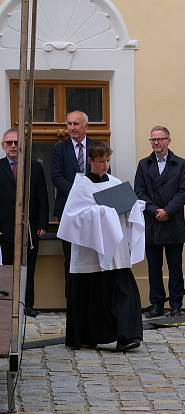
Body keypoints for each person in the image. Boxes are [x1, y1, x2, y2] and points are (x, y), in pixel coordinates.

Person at [57, 141, 145, 351]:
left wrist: (134, 207)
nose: (105, 165)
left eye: (107, 161)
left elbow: (127, 208)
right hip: (90, 253)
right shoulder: (81, 186)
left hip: (116, 250)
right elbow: (71, 218)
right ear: (90, 162)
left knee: (123, 291)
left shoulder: (115, 183)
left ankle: (127, 335)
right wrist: (101, 212)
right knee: (90, 295)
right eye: (101, 161)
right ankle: (87, 335)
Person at [134, 126, 185, 318]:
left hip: (173, 222)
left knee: (175, 267)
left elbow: (184, 192)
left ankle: (176, 304)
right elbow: (139, 192)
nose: (156, 143)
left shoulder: (180, 164)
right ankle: (156, 304)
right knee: (154, 267)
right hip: (152, 223)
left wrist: (167, 211)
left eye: (160, 139)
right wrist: (154, 210)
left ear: (168, 140)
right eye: (153, 140)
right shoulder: (144, 165)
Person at [0, 128, 49, 317]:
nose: (13, 146)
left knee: (28, 268)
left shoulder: (34, 167)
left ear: (24, 145)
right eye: (9, 143)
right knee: (9, 269)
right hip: (5, 229)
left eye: (16, 142)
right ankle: (9, 303)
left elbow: (42, 198)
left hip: (30, 228)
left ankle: (28, 305)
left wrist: (43, 225)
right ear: (3, 146)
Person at [51, 110, 93, 297]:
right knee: (70, 257)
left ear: (85, 126)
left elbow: (103, 174)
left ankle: (90, 299)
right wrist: (79, 193)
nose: (72, 127)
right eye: (69, 124)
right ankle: (72, 300)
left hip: (92, 209)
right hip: (68, 210)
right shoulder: (59, 149)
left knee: (91, 256)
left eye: (76, 124)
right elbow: (56, 177)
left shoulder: (96, 147)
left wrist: (88, 194)